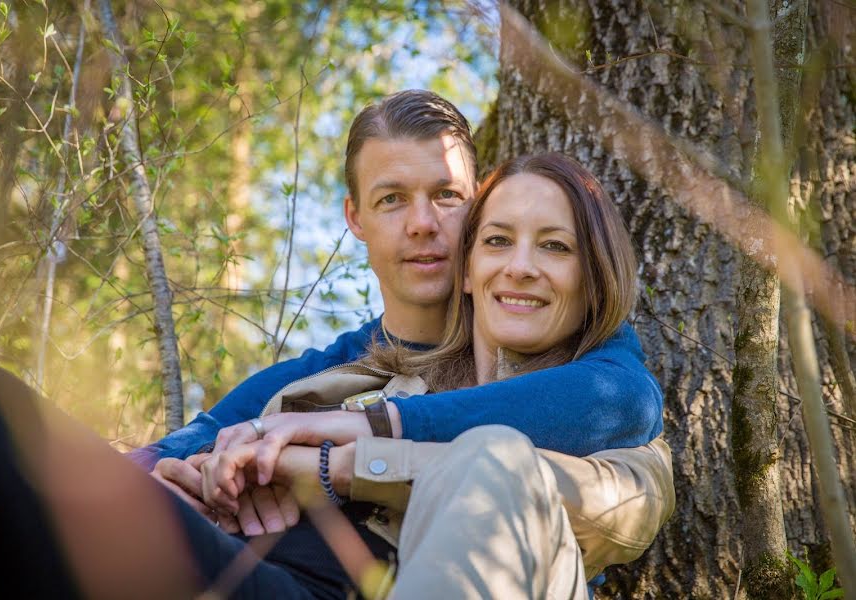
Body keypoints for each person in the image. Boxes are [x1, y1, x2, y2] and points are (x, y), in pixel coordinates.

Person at [0, 150, 672, 599]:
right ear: (467, 270)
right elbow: (218, 433)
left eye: (555, 247)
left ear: (594, 279)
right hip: (242, 571)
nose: (520, 266)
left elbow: (611, 426)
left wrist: (340, 462)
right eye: (497, 241)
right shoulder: (358, 375)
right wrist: (186, 474)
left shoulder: (620, 429)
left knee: (494, 453)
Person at [134, 90, 663, 542]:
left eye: (447, 195)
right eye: (392, 199)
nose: (422, 224)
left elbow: (625, 399)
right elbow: (182, 445)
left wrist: (355, 435)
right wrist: (167, 482)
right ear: (354, 217)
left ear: (477, 207)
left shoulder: (555, 336)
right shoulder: (330, 373)